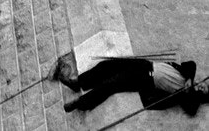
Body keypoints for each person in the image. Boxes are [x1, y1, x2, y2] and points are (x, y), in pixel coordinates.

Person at [54, 56, 209, 115]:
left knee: (112, 84)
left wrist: (192, 93)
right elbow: (191, 63)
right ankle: (79, 83)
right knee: (106, 66)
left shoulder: (187, 97)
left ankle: (81, 103)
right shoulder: (188, 73)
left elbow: (192, 109)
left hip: (145, 79)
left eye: (204, 89)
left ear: (202, 95)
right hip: (145, 65)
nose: (202, 86)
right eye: (204, 84)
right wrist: (189, 78)